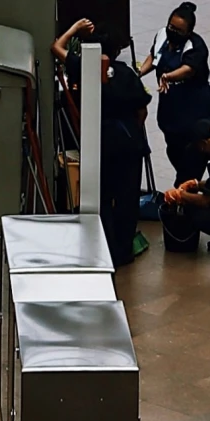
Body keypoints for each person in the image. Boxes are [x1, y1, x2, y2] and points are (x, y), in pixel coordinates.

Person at [53, 16, 149, 266]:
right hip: (129, 144)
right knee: (127, 198)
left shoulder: (85, 66)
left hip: (100, 143)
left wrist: (74, 28)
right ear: (117, 49)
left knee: (102, 196)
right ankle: (123, 250)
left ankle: (102, 247)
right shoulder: (127, 74)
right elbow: (142, 110)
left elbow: (56, 47)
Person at [147, 3, 210, 180]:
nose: (173, 32)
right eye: (171, 27)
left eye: (179, 30)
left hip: (193, 111)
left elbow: (188, 69)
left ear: (189, 32)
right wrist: (138, 72)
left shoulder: (196, 46)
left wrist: (168, 77)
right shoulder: (162, 36)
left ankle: (185, 193)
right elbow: (154, 56)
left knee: (192, 161)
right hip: (171, 111)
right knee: (174, 151)